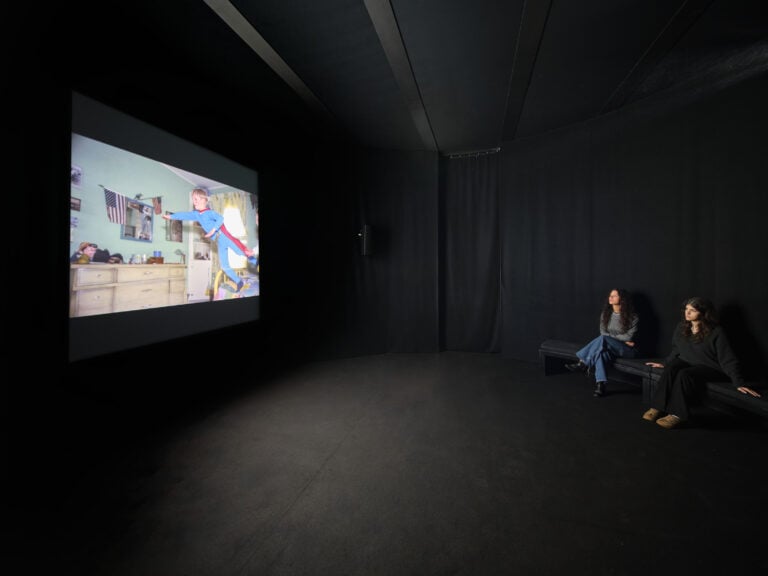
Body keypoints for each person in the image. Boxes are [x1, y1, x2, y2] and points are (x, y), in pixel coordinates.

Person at [642, 297, 761, 429]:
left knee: (684, 374)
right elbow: (676, 349)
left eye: (692, 310)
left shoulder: (716, 332)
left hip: (709, 366)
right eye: (686, 309)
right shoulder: (682, 327)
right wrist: (665, 362)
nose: (687, 313)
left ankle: (677, 415)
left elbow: (727, 358)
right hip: (687, 360)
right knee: (671, 368)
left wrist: (738, 382)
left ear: (704, 313)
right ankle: (658, 407)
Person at [163, 187, 257, 292]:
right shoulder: (197, 215)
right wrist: (171, 217)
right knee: (225, 266)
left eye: (196, 199)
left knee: (243, 252)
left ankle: (256, 264)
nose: (194, 202)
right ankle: (239, 281)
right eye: (193, 199)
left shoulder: (209, 212)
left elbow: (221, 219)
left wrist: (213, 230)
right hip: (219, 242)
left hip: (225, 237)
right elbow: (184, 215)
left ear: (204, 200)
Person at [565, 288, 639, 397]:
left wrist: (612, 339)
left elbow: (629, 336)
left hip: (628, 350)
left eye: (614, 296)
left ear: (622, 299)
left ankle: (583, 363)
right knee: (600, 353)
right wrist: (618, 340)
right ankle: (601, 386)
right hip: (613, 347)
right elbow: (603, 332)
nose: (610, 297)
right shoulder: (606, 314)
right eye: (610, 295)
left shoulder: (633, 317)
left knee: (603, 340)